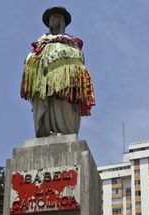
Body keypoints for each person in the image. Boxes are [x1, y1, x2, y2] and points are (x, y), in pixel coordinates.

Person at [21, 6, 96, 137]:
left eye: (55, 16)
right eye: (50, 17)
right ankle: (46, 131)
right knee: (47, 103)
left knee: (62, 104)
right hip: (43, 82)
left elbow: (78, 59)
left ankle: (63, 131)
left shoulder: (71, 42)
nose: (51, 19)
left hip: (64, 83)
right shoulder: (40, 42)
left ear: (61, 20)